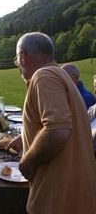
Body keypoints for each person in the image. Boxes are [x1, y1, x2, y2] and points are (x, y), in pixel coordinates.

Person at [13, 32, 96, 214]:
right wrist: (24, 138)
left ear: (23, 56)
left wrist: (27, 162)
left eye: (17, 59)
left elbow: (57, 130)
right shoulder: (61, 75)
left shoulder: (43, 76)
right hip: (76, 195)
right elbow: (62, 123)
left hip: (56, 200)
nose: (17, 65)